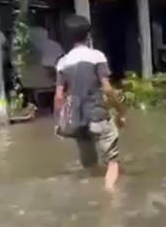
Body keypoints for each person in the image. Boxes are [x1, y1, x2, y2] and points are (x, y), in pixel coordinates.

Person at [54, 15, 127, 192]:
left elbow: (58, 96)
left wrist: (59, 123)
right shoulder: (97, 57)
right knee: (112, 162)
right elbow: (108, 89)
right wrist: (121, 111)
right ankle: (111, 195)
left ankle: (92, 196)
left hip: (77, 121)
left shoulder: (62, 63)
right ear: (88, 35)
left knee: (90, 167)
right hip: (97, 115)